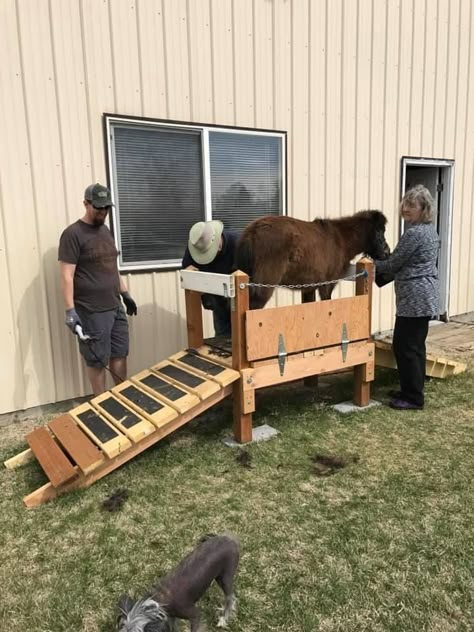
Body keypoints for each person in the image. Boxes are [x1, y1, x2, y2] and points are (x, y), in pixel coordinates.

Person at [58, 183, 138, 396]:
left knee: (120, 353)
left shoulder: (106, 231)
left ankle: (122, 397)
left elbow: (112, 267)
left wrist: (126, 294)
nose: (103, 212)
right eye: (98, 207)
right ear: (86, 203)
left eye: (106, 208)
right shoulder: (72, 234)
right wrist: (70, 311)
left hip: (115, 305)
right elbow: (67, 274)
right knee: (97, 360)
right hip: (91, 310)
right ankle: (100, 404)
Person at [374, 185, 440, 410]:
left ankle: (413, 398)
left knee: (405, 346)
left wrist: (366, 265)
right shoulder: (429, 231)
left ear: (424, 209)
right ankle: (410, 389)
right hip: (422, 296)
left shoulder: (415, 233)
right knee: (414, 347)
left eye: (412, 205)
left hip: (416, 298)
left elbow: (393, 263)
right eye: (405, 204)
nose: (406, 208)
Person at [182, 220, 239, 337]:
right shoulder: (196, 244)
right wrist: (189, 273)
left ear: (218, 241)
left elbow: (259, 272)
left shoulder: (239, 243)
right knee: (222, 338)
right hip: (217, 300)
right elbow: (187, 267)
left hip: (244, 300)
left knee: (244, 338)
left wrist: (244, 274)